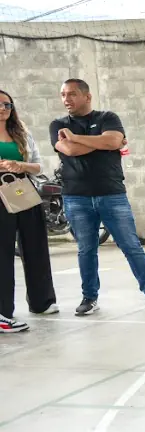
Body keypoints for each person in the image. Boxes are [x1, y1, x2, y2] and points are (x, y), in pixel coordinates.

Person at [51, 79, 145, 317]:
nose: (66, 99)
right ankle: (89, 298)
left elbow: (113, 141)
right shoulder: (58, 125)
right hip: (76, 197)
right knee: (86, 249)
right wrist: (103, 143)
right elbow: (70, 150)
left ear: (87, 96)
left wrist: (80, 138)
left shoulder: (107, 118)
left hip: (111, 194)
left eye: (72, 94)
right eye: (63, 95)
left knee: (131, 246)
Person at [0, 89, 56, 332]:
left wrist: (19, 164)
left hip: (24, 190)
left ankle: (41, 302)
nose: (3, 109)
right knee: (2, 254)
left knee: (35, 246)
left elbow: (37, 165)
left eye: (7, 105)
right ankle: (3, 312)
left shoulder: (21, 132)